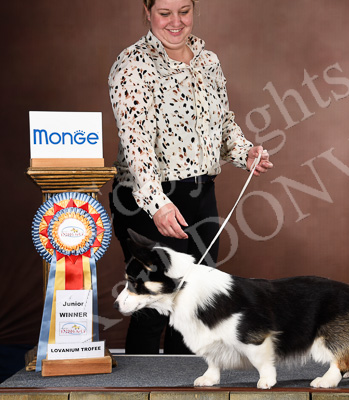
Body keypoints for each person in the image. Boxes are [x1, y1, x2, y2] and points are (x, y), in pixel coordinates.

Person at [108, 0, 273, 354]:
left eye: (184, 11)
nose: (176, 21)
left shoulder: (208, 61)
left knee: (193, 306)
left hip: (200, 196)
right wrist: (157, 204)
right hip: (147, 199)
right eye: (165, 12)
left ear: (194, 10)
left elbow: (223, 123)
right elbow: (136, 143)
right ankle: (140, 383)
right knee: (152, 307)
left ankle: (183, 383)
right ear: (147, 11)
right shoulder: (132, 64)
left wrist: (245, 152)